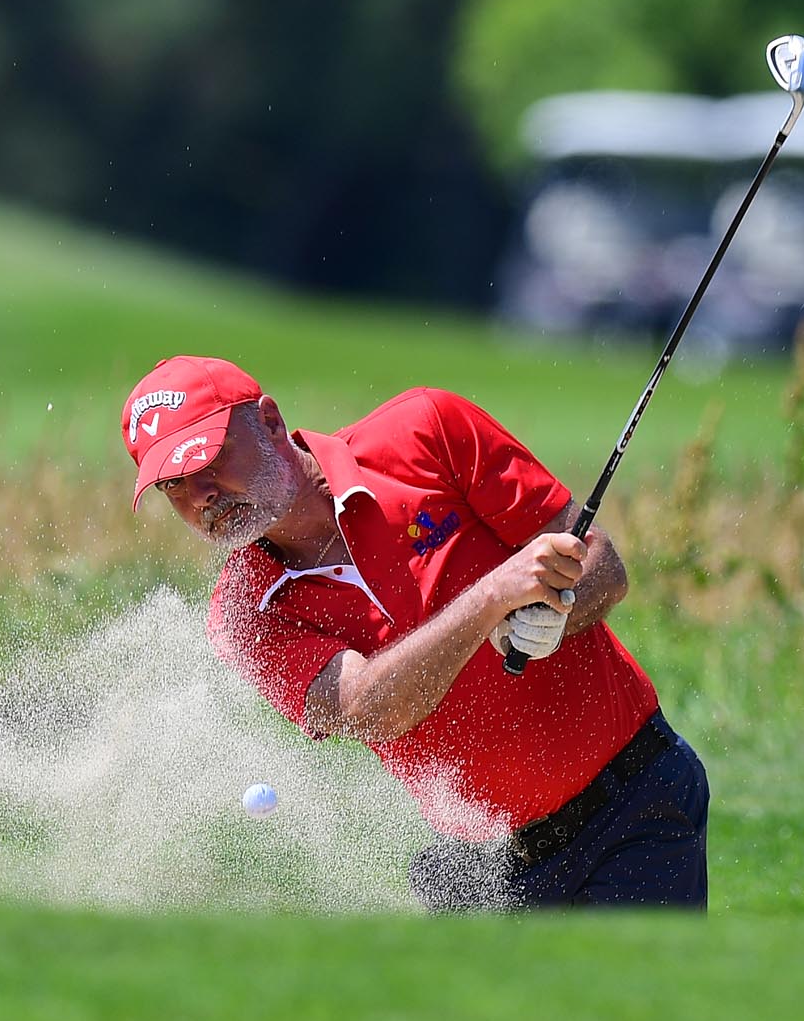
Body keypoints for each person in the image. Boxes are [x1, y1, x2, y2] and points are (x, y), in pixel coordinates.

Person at [119, 355, 710, 909]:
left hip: (634, 809)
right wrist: (494, 599)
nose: (201, 498)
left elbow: (603, 567)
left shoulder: (426, 430)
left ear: (270, 422)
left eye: (209, 462)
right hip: (483, 872)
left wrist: (557, 615)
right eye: (174, 487)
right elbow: (369, 711)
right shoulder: (244, 615)